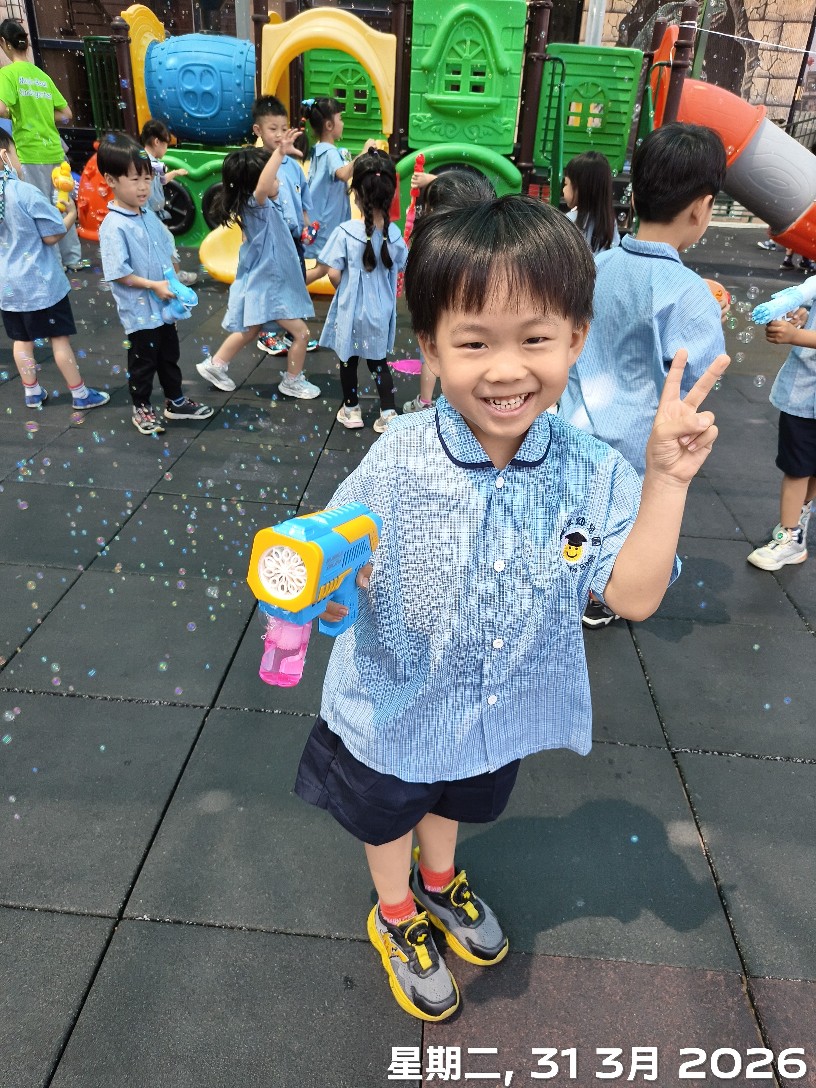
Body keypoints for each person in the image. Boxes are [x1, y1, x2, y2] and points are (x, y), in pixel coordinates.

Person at [294, 195, 728, 1023]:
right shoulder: (399, 458)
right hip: (395, 703)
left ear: (576, 338)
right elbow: (337, 549)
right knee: (389, 811)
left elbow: (633, 597)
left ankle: (438, 882)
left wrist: (667, 482)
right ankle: (395, 913)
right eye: (474, 343)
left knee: (455, 798)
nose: (505, 370)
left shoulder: (590, 470)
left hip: (494, 707)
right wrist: (325, 575)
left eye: (534, 339)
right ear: (430, 347)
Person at [560, 122, 727, 627]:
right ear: (701, 207)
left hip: (573, 423)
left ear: (635, 194)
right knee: (623, 526)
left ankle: (567, 582)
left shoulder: (595, 264)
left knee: (571, 514)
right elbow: (696, 381)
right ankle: (597, 595)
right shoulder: (689, 293)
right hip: (636, 447)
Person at [97, 134, 213, 435]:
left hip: (163, 306)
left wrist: (173, 280)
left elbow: (164, 249)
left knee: (169, 357)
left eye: (147, 178)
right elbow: (118, 273)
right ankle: (142, 407)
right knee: (143, 362)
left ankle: (175, 401)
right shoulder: (114, 225)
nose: (143, 187)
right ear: (111, 180)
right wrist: (154, 285)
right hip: (139, 312)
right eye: (135, 179)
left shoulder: (147, 214)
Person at [195, 141, 319, 399]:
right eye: (274, 177)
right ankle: (292, 381)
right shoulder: (257, 205)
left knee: (250, 329)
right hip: (270, 286)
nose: (278, 181)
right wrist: (279, 153)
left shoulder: (259, 206)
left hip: (265, 283)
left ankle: (216, 364)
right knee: (301, 333)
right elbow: (263, 186)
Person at [0, 130, 108, 412]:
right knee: (59, 339)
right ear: (4, 156)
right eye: (16, 154)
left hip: (8, 288)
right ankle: (80, 394)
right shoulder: (23, 192)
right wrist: (71, 213)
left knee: (21, 341)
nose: (19, 161)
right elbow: (52, 235)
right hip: (40, 284)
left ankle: (32, 392)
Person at [306, 150, 407, 432]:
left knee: (348, 361)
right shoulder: (394, 234)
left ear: (356, 195)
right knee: (379, 363)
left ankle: (351, 410)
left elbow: (333, 272)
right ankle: (388, 412)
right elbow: (403, 265)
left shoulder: (345, 231)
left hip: (351, 310)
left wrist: (345, 290)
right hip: (380, 312)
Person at [402, 169, 496, 414]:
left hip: (441, 324)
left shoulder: (432, 248)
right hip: (475, 334)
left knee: (435, 357)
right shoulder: (491, 250)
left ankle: (425, 402)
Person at [0, 18, 88, 272]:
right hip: (55, 151)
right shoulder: (42, 76)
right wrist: (41, 114)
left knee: (41, 210)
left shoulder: (8, 74)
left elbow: (2, 108)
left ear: (5, 43)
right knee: (62, 203)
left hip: (30, 153)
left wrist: (18, 114)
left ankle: (55, 264)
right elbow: (67, 114)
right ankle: (73, 258)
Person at [747, 305, 816, 570]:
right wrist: (804, 316)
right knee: (797, 468)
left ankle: (795, 527)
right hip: (803, 396)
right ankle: (790, 531)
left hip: (804, 392)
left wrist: (796, 335)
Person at [249, 95, 318, 358]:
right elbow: (253, 202)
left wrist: (307, 226)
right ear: (258, 130)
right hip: (269, 240)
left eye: (283, 128)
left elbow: (303, 201)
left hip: (293, 240)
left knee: (296, 283)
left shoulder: (294, 166)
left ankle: (292, 332)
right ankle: (267, 331)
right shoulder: (256, 164)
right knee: (272, 286)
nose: (279, 135)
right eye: (272, 129)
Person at [302, 96, 377, 261]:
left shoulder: (318, 149)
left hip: (318, 215)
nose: (342, 123)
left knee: (326, 263)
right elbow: (343, 174)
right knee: (328, 263)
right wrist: (364, 153)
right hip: (327, 220)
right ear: (329, 125)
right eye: (340, 119)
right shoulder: (330, 152)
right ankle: (297, 278)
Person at [138, 118, 197, 286]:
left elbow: (162, 179)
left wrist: (176, 173)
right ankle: (176, 278)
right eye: (166, 144)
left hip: (152, 212)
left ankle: (167, 277)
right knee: (167, 240)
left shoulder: (150, 160)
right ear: (157, 142)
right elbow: (153, 168)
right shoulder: (143, 158)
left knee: (160, 243)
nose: (166, 149)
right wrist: (161, 168)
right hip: (145, 212)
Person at [561, 150, 620, 253]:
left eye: (566, 184)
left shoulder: (568, 221)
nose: (563, 189)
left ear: (581, 188)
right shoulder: (609, 222)